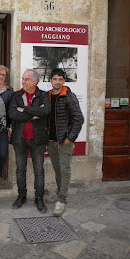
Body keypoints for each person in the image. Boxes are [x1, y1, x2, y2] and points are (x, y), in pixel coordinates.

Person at [8, 69, 50, 213]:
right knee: (20, 169)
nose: (23, 82)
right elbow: (13, 114)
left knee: (39, 170)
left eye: (27, 79)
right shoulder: (16, 95)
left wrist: (24, 109)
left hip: (38, 139)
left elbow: (45, 112)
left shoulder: (43, 95)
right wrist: (33, 113)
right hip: (20, 139)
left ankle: (39, 198)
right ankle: (21, 196)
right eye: (23, 78)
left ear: (35, 81)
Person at [47, 68, 84, 216]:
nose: (57, 82)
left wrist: (70, 138)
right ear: (50, 80)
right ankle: (59, 193)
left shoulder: (69, 96)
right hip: (50, 141)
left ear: (64, 81)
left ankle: (62, 200)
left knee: (65, 169)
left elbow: (78, 119)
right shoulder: (47, 96)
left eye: (60, 79)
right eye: (54, 79)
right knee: (58, 169)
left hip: (64, 142)